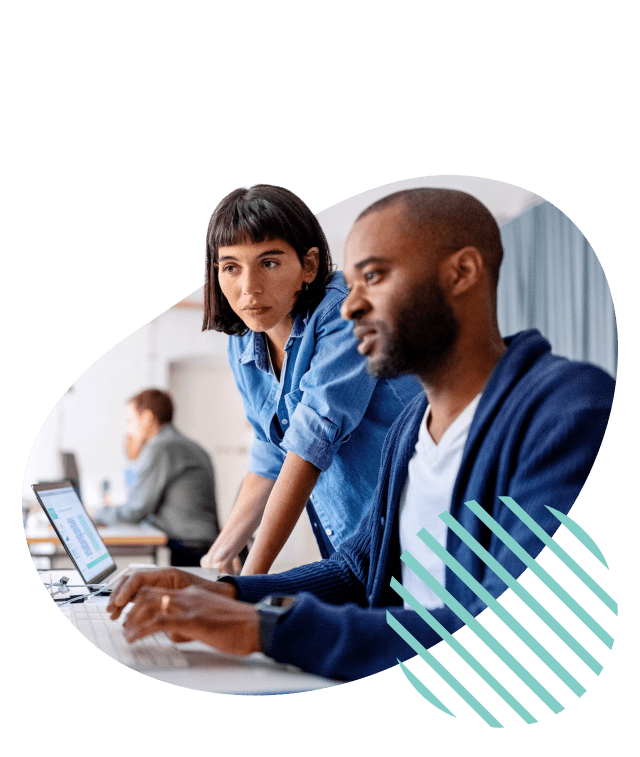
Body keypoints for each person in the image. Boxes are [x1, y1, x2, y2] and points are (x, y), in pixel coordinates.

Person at [108, 189, 615, 682]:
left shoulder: (569, 411)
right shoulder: (410, 432)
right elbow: (356, 570)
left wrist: (265, 626)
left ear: (461, 273)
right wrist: (229, 593)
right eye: (350, 284)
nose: (348, 308)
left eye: (371, 277)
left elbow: (512, 633)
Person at [198, 184, 420, 574]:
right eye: (231, 267)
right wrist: (219, 556)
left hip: (417, 533)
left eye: (268, 263)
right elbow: (271, 452)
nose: (248, 288)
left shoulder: (344, 311)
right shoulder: (243, 341)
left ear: (309, 266)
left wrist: (248, 582)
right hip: (354, 548)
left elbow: (310, 441)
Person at [95, 389, 220, 567]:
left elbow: (135, 511)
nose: (128, 429)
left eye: (130, 420)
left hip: (189, 548)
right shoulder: (185, 444)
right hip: (203, 544)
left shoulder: (161, 447)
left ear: (146, 418)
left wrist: (96, 513)